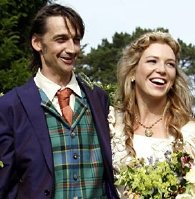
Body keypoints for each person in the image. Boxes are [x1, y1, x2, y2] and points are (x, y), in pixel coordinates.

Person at [0, 3, 119, 199]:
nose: (71, 49)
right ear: (37, 43)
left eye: (76, 40)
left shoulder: (99, 99)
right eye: (61, 39)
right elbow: (5, 183)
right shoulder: (11, 106)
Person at [108, 31, 195, 198]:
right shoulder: (112, 125)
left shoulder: (189, 134)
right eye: (152, 61)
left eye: (170, 64)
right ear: (132, 72)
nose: (162, 70)